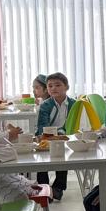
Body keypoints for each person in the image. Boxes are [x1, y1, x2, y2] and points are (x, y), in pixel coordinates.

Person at [35, 72, 73, 201]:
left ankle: (58, 188)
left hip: (65, 138)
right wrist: (52, 136)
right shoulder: (45, 105)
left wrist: (62, 135)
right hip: (46, 137)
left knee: (62, 157)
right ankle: (43, 188)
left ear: (66, 87)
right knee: (41, 160)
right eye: (50, 86)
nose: (53, 88)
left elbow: (74, 124)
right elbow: (42, 126)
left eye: (57, 85)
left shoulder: (73, 104)